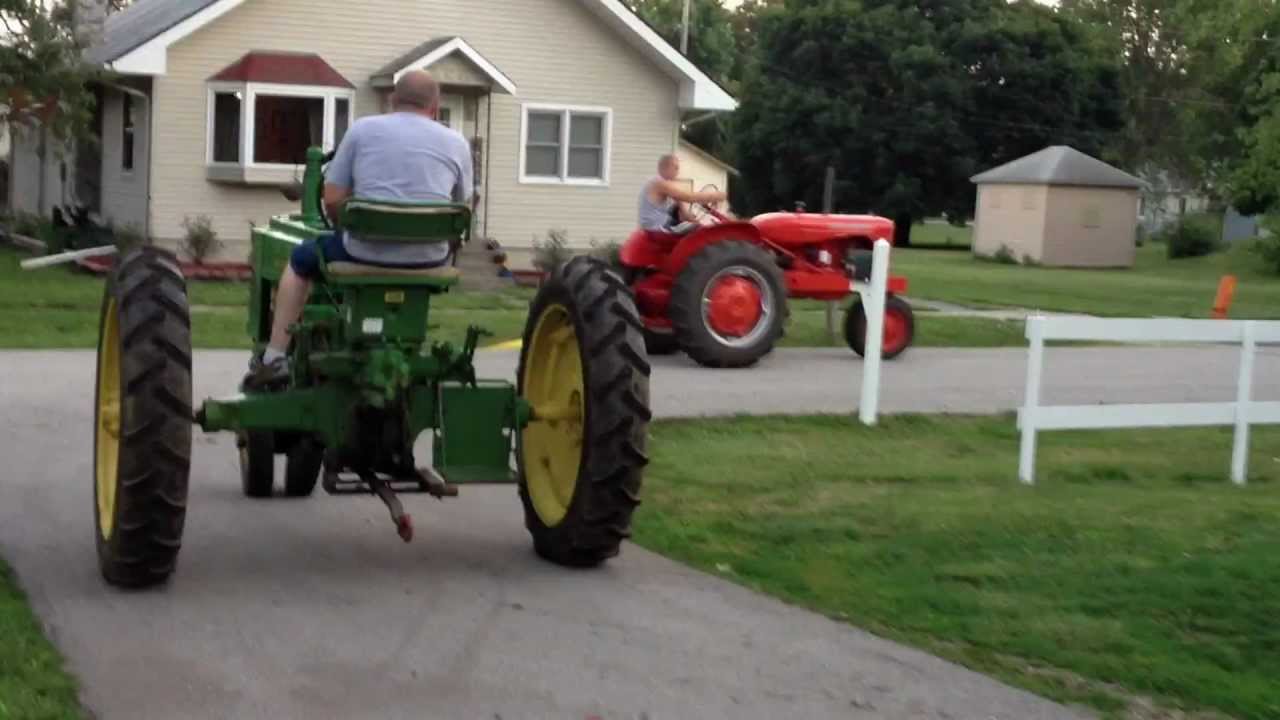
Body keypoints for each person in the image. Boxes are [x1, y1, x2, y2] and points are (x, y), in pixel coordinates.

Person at [244, 70, 473, 388]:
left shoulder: (364, 130)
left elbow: (333, 197)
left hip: (362, 251)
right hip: (430, 258)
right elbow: (463, 208)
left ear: (393, 100)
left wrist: (346, 224)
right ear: (436, 107)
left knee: (300, 261)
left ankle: (274, 356)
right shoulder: (456, 142)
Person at [638, 154, 727, 234]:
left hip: (657, 224)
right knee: (700, 231)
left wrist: (686, 214)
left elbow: (678, 198)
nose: (678, 172)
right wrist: (716, 196)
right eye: (676, 168)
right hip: (658, 227)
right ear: (666, 167)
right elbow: (689, 197)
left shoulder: (656, 182)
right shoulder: (660, 183)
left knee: (687, 221)